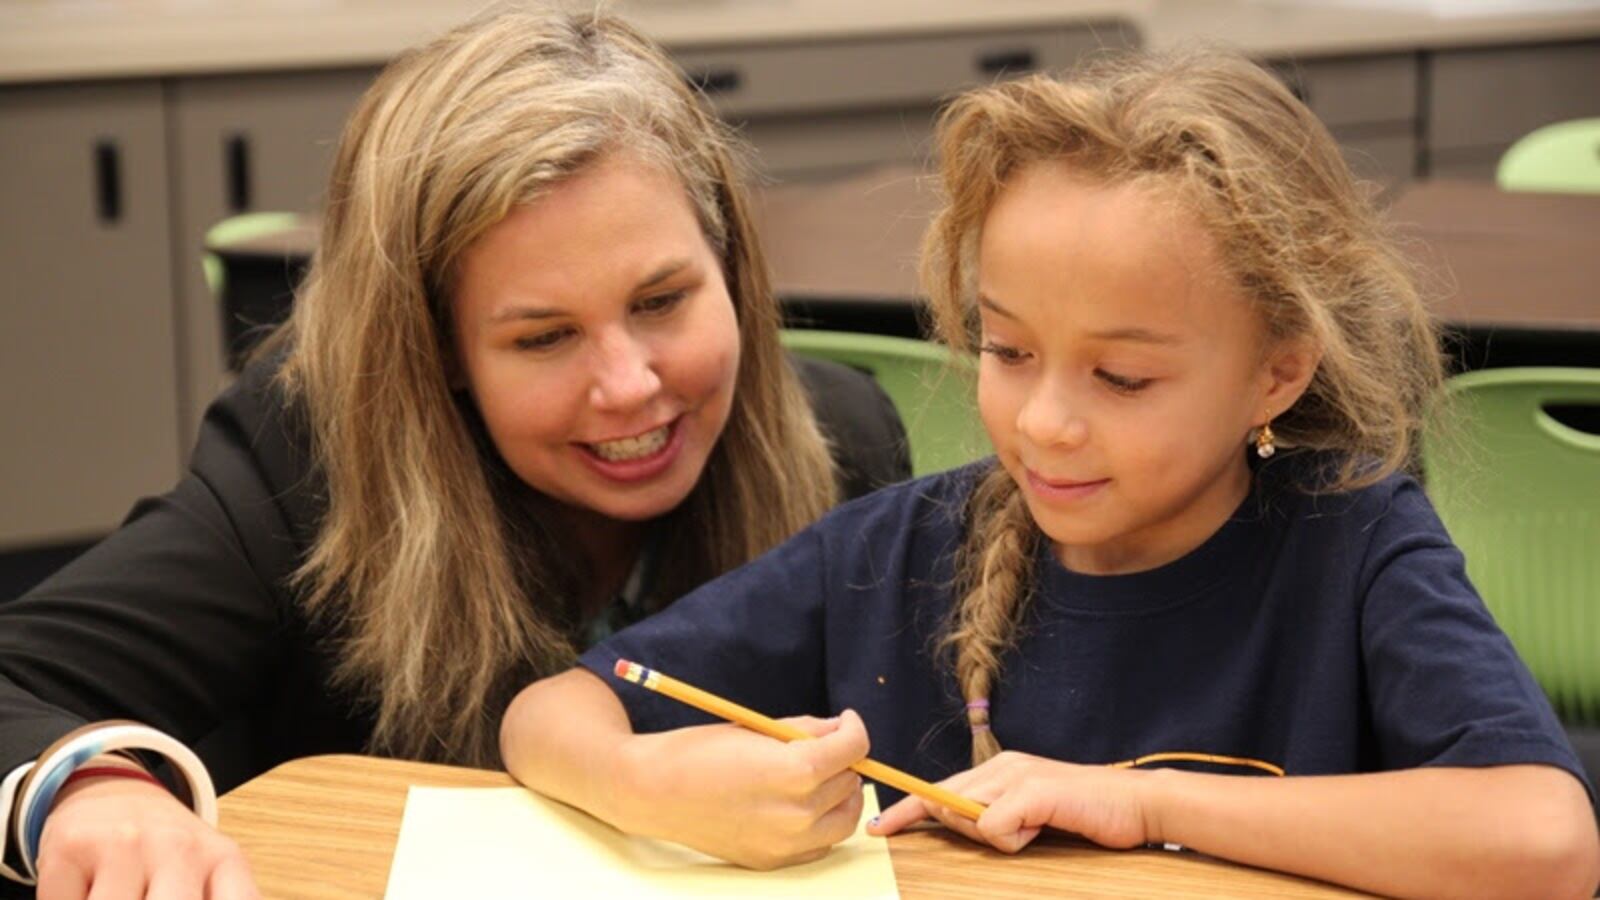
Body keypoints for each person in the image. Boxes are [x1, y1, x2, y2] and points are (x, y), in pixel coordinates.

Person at [502, 49, 1600, 898]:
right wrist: (653, 785)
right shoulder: (901, 550)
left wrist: (1138, 803)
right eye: (1006, 351)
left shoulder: (1353, 540)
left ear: (1277, 372)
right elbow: (554, 714)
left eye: (1121, 377)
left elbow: (1546, 846)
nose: (1045, 424)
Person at [0, 8, 912, 897]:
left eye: (663, 300)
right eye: (545, 338)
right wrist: (90, 789)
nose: (628, 384)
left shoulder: (847, 443)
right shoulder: (306, 470)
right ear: (440, 353)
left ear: (731, 268)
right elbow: (19, 679)